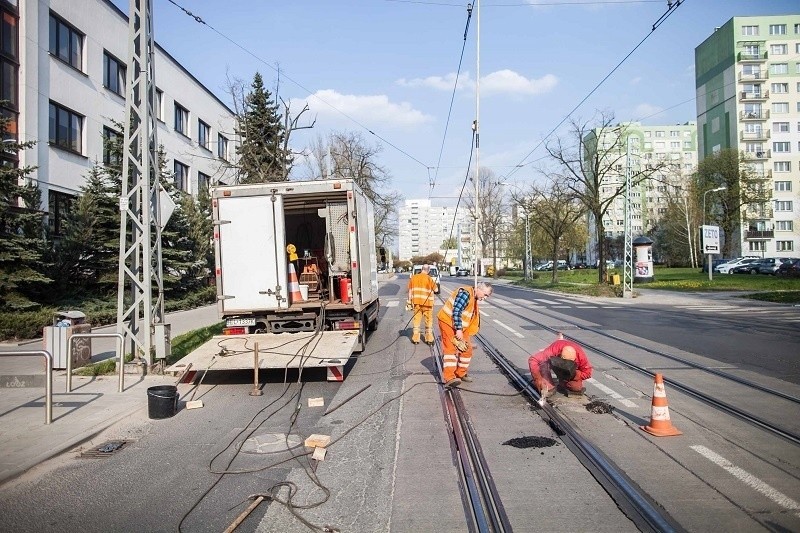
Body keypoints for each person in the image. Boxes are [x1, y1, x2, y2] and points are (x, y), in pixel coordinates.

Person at [437, 281, 493, 388]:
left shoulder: (474, 297)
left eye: (487, 296)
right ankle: (449, 377)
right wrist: (458, 329)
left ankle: (460, 373)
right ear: (479, 289)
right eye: (485, 295)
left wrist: (461, 329)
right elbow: (456, 311)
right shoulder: (465, 293)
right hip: (448, 322)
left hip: (461, 326)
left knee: (467, 349)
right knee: (450, 350)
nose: (485, 298)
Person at [528, 334, 592, 397]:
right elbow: (533, 359)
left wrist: (574, 374)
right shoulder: (554, 349)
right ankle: (549, 383)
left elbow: (588, 373)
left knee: (576, 387)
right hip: (555, 363)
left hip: (571, 374)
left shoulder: (581, 356)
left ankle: (563, 383)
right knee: (543, 367)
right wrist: (539, 381)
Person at [407, 264, 437, 345]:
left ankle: (416, 339)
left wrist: (409, 301)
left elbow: (410, 291)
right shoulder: (429, 278)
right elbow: (436, 289)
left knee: (416, 320)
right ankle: (429, 339)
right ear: (428, 270)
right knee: (428, 321)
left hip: (417, 303)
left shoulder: (413, 278)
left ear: (421, 269)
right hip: (428, 304)